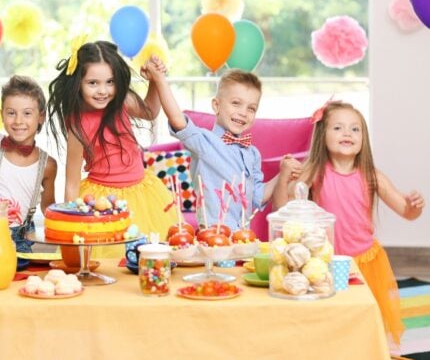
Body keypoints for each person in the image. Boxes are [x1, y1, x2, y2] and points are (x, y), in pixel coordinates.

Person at [292, 100, 424, 350]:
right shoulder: (316, 170)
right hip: (325, 260)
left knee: (365, 315)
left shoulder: (371, 174)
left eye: (355, 129)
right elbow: (290, 199)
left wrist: (414, 207)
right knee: (330, 313)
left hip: (365, 262)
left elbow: (406, 212)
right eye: (338, 128)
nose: (347, 134)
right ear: (323, 135)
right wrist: (289, 177)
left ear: (363, 138)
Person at [47, 40, 176, 253]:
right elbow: (71, 183)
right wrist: (70, 229)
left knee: (150, 255)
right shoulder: (77, 126)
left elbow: (149, 112)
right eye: (93, 83)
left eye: (110, 82)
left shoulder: (121, 100)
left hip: (142, 194)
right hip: (104, 202)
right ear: (78, 82)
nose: (103, 91)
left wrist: (154, 81)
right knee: (110, 257)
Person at [143, 59, 299, 230]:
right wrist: (160, 80)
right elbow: (177, 119)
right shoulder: (205, 143)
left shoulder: (252, 154)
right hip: (213, 238)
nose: (243, 113)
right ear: (216, 105)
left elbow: (258, 197)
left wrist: (283, 172)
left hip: (242, 238)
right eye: (236, 103)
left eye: (251, 108)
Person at [0, 75, 57, 256]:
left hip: (22, 239)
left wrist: (67, 221)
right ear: (2, 115)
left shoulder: (48, 165)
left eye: (27, 113)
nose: (18, 121)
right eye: (11, 113)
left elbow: (48, 207)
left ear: (41, 117)